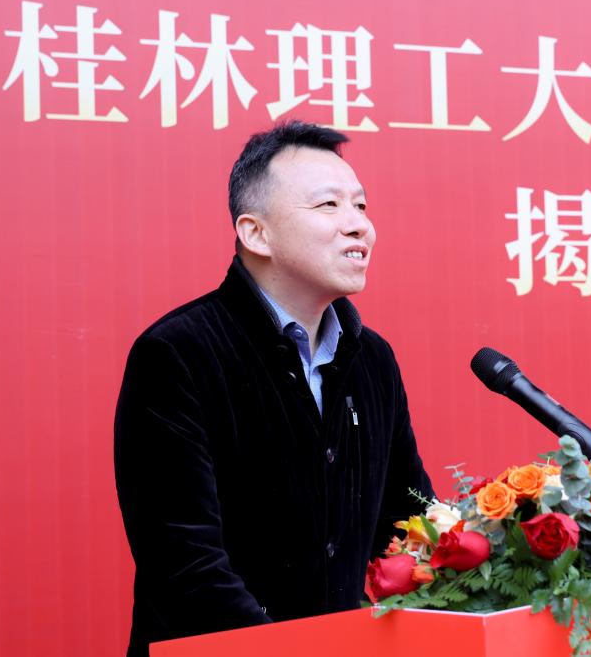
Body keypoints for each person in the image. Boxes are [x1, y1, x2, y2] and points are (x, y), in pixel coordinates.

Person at [113, 120, 434, 656]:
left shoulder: (372, 359)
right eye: (329, 205)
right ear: (255, 233)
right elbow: (187, 565)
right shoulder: (178, 353)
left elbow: (407, 522)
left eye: (361, 205)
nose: (359, 226)